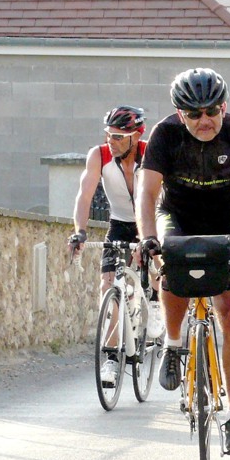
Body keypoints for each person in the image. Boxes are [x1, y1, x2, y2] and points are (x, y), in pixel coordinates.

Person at [136, 68, 230, 455]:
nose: (204, 120)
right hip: (177, 218)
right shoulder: (164, 135)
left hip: (227, 224)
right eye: (194, 114)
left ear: (224, 107)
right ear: (181, 114)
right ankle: (174, 342)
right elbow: (147, 195)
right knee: (170, 262)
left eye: (212, 111)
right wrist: (147, 238)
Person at [68, 105, 160, 384]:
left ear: (136, 136)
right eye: (109, 134)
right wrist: (80, 231)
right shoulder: (99, 155)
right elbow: (84, 196)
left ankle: (156, 302)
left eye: (119, 136)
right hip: (119, 224)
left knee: (159, 267)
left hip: (151, 222)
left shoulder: (151, 153)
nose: (112, 141)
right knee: (109, 287)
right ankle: (110, 358)